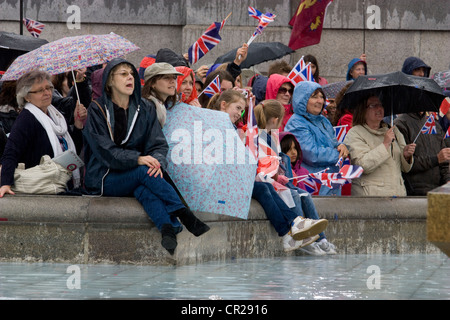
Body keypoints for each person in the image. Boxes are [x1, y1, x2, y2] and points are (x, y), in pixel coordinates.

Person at [82, 58, 209, 255]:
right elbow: (104, 151)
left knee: (145, 187)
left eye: (131, 74)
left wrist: (157, 160)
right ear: (109, 81)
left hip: (137, 174)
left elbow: (158, 144)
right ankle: (183, 213)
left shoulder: (145, 107)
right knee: (143, 172)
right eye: (123, 74)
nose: (129, 77)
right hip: (104, 176)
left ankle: (168, 229)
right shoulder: (97, 109)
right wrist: (138, 159)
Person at [209, 90, 328, 252]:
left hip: (237, 178)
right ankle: (293, 226)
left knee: (265, 187)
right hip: (223, 181)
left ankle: (291, 231)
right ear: (223, 105)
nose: (239, 113)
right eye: (237, 108)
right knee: (268, 187)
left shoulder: (232, 127)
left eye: (241, 110)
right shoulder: (214, 125)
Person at [255, 104, 335, 255]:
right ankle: (301, 236)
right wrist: (277, 176)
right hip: (269, 180)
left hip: (278, 179)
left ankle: (321, 239)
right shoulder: (259, 138)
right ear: (276, 119)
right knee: (294, 195)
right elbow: (263, 165)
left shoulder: (272, 137)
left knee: (305, 195)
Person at [0, 70, 86, 197]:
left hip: (64, 185)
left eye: (48, 88)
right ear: (26, 96)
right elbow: (11, 152)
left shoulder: (56, 115)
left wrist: (78, 124)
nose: (47, 93)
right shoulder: (26, 119)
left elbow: (73, 151)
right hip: (42, 187)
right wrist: (5, 183)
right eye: (40, 90)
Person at [393, 57, 450, 195]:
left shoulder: (433, 122)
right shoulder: (401, 123)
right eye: (416, 70)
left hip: (437, 191)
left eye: (425, 92)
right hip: (414, 191)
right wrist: (436, 159)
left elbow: (445, 158)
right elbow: (406, 164)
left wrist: (448, 181)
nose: (420, 74)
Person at [285, 81, 349, 196]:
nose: (320, 101)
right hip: (312, 185)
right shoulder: (296, 122)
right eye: (314, 97)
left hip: (331, 181)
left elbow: (332, 143)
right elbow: (311, 154)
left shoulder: (322, 120)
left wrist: (341, 146)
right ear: (302, 98)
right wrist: (338, 155)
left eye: (321, 97)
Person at [344, 95, 416, 196]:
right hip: (371, 197)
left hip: (397, 194)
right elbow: (362, 165)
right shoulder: (355, 133)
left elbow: (406, 168)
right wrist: (385, 144)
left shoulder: (393, 130)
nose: (379, 108)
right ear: (362, 110)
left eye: (381, 105)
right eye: (373, 105)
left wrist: (406, 156)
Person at [141, 62, 183, 128]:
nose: (172, 81)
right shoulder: (145, 108)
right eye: (166, 78)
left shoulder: (169, 105)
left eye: (174, 77)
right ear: (152, 83)